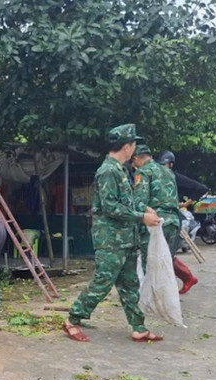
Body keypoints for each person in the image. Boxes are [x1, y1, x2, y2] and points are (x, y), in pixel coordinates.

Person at [62, 124, 162, 343]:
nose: (134, 149)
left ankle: (138, 327)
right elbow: (110, 207)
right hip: (110, 239)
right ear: (127, 147)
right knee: (103, 282)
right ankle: (72, 319)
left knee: (130, 284)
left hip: (125, 239)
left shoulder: (120, 170)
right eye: (133, 144)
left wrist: (144, 209)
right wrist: (141, 217)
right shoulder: (108, 171)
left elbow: (124, 202)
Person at [154, 150, 199, 294]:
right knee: (164, 255)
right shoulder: (156, 177)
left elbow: (201, 188)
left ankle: (185, 279)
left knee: (166, 256)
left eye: (165, 165)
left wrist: (185, 203)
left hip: (173, 220)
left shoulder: (175, 177)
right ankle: (187, 278)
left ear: (171, 165)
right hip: (160, 220)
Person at [130, 144, 181, 265]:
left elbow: (139, 202)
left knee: (150, 265)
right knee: (166, 265)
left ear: (135, 158)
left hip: (154, 223)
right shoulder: (169, 172)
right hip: (173, 223)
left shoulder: (143, 172)